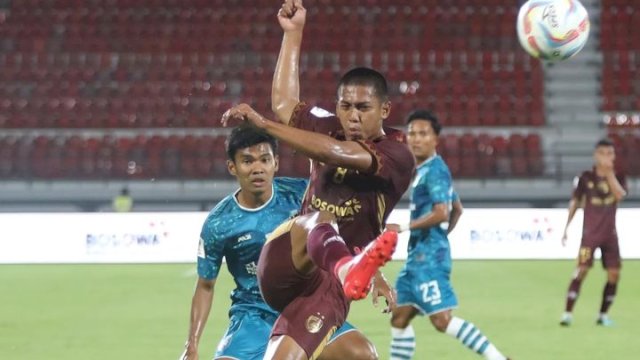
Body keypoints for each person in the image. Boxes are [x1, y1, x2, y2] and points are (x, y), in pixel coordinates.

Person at [221, 1, 415, 358]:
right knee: (321, 220)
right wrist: (292, 34)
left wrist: (263, 126)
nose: (351, 116)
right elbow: (284, 103)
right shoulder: (329, 126)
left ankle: (348, 268)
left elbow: (335, 153)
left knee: (360, 355)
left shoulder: (398, 154)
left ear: (384, 110)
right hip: (288, 258)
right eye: (345, 106)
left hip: (327, 287)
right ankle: (348, 266)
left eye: (363, 108)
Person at [178, 124, 373, 360]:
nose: (257, 168)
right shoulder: (219, 223)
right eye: (248, 161)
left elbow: (341, 230)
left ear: (276, 163)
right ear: (233, 167)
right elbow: (206, 286)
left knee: (363, 354)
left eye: (264, 159)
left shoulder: (302, 194)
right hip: (253, 316)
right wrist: (192, 343)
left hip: (305, 304)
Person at [389, 110, 510, 360]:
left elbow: (442, 212)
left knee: (442, 320)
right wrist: (441, 238)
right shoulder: (427, 169)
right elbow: (457, 209)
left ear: (436, 139)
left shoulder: (435, 171)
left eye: (423, 134)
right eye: (412, 133)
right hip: (418, 259)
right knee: (399, 318)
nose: (416, 139)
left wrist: (404, 228)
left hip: (428, 262)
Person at [559, 138, 627, 327]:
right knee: (581, 270)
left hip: (610, 235)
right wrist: (566, 227)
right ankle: (567, 313)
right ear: (595, 155)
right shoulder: (585, 177)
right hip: (589, 235)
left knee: (614, 274)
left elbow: (620, 195)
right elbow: (575, 202)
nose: (607, 157)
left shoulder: (618, 176)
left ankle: (603, 315)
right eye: (603, 153)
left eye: (610, 153)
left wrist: (609, 174)